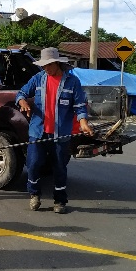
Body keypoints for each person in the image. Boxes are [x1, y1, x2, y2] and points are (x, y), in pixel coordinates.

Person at [16, 47, 94, 214]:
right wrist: (23, 102)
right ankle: (34, 194)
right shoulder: (38, 79)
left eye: (49, 65)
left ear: (57, 63)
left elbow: (80, 107)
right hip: (38, 132)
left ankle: (60, 201)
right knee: (34, 163)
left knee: (59, 168)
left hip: (61, 134)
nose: (46, 69)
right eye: (43, 66)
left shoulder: (72, 82)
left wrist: (83, 123)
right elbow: (21, 92)